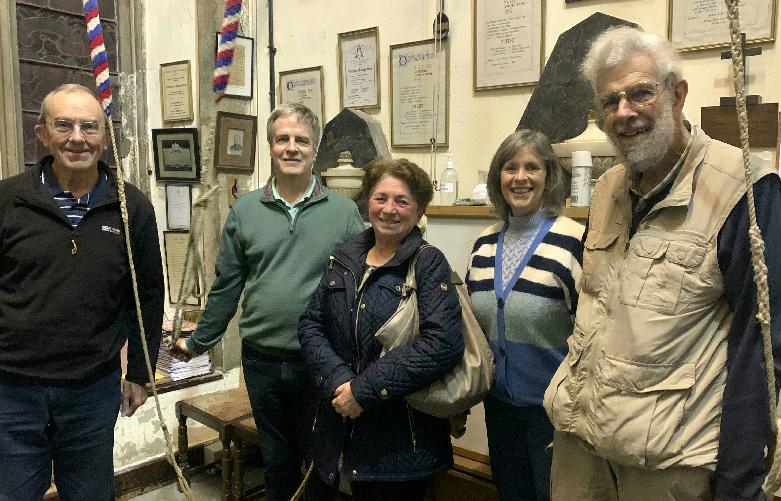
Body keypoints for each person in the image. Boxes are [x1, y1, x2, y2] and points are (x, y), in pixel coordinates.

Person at [544, 26, 781, 500]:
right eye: (610, 101)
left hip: (667, 470)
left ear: (677, 94)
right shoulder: (606, 189)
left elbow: (760, 354)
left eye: (640, 93)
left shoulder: (744, 190)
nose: (624, 112)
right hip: (581, 453)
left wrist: (739, 486)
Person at [171, 103, 364, 501]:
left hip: (320, 361)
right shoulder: (244, 211)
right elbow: (227, 286)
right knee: (276, 463)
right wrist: (199, 341)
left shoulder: (345, 214)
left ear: (315, 148)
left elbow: (359, 289)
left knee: (318, 466)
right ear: (271, 146)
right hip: (261, 360)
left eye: (301, 140)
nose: (291, 148)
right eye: (282, 140)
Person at [0, 84, 164, 500]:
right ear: (42, 134)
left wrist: (142, 375)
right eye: (64, 125)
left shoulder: (131, 207)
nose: (78, 137)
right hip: (12, 390)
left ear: (104, 139)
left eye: (90, 127)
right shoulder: (8, 201)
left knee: (91, 493)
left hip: (92, 389)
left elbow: (146, 294)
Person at [298, 158, 464, 501]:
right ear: (367, 202)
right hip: (337, 427)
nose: (389, 209)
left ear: (418, 211)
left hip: (400, 442)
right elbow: (311, 324)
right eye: (381, 198)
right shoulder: (343, 259)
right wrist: (340, 382)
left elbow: (441, 343)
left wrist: (363, 390)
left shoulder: (429, 263)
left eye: (402, 201)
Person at [465, 129, 583, 501]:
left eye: (532, 167)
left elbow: (593, 334)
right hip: (499, 408)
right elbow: (473, 329)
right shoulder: (483, 244)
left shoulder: (575, 241)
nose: (520, 177)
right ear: (498, 177)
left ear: (549, 176)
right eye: (510, 167)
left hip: (555, 415)